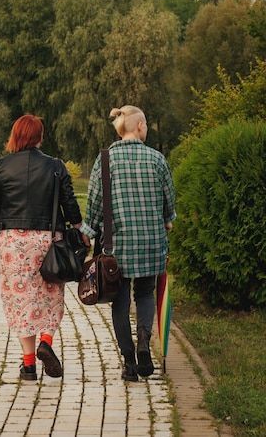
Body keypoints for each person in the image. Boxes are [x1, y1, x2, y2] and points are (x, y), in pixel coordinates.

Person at [0, 114, 89, 381]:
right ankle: (46, 341)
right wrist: (79, 231)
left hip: (13, 242)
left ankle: (29, 365)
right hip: (49, 241)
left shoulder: (1, 166)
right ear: (39, 137)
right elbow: (70, 203)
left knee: (20, 301)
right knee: (51, 296)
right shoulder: (56, 166)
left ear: (16, 136)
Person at [80, 105, 176, 381]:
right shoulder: (157, 159)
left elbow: (96, 204)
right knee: (145, 295)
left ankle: (129, 362)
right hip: (151, 243)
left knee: (120, 304)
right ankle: (145, 342)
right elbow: (169, 199)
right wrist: (167, 219)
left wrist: (87, 232)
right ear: (140, 126)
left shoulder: (105, 160)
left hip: (116, 249)